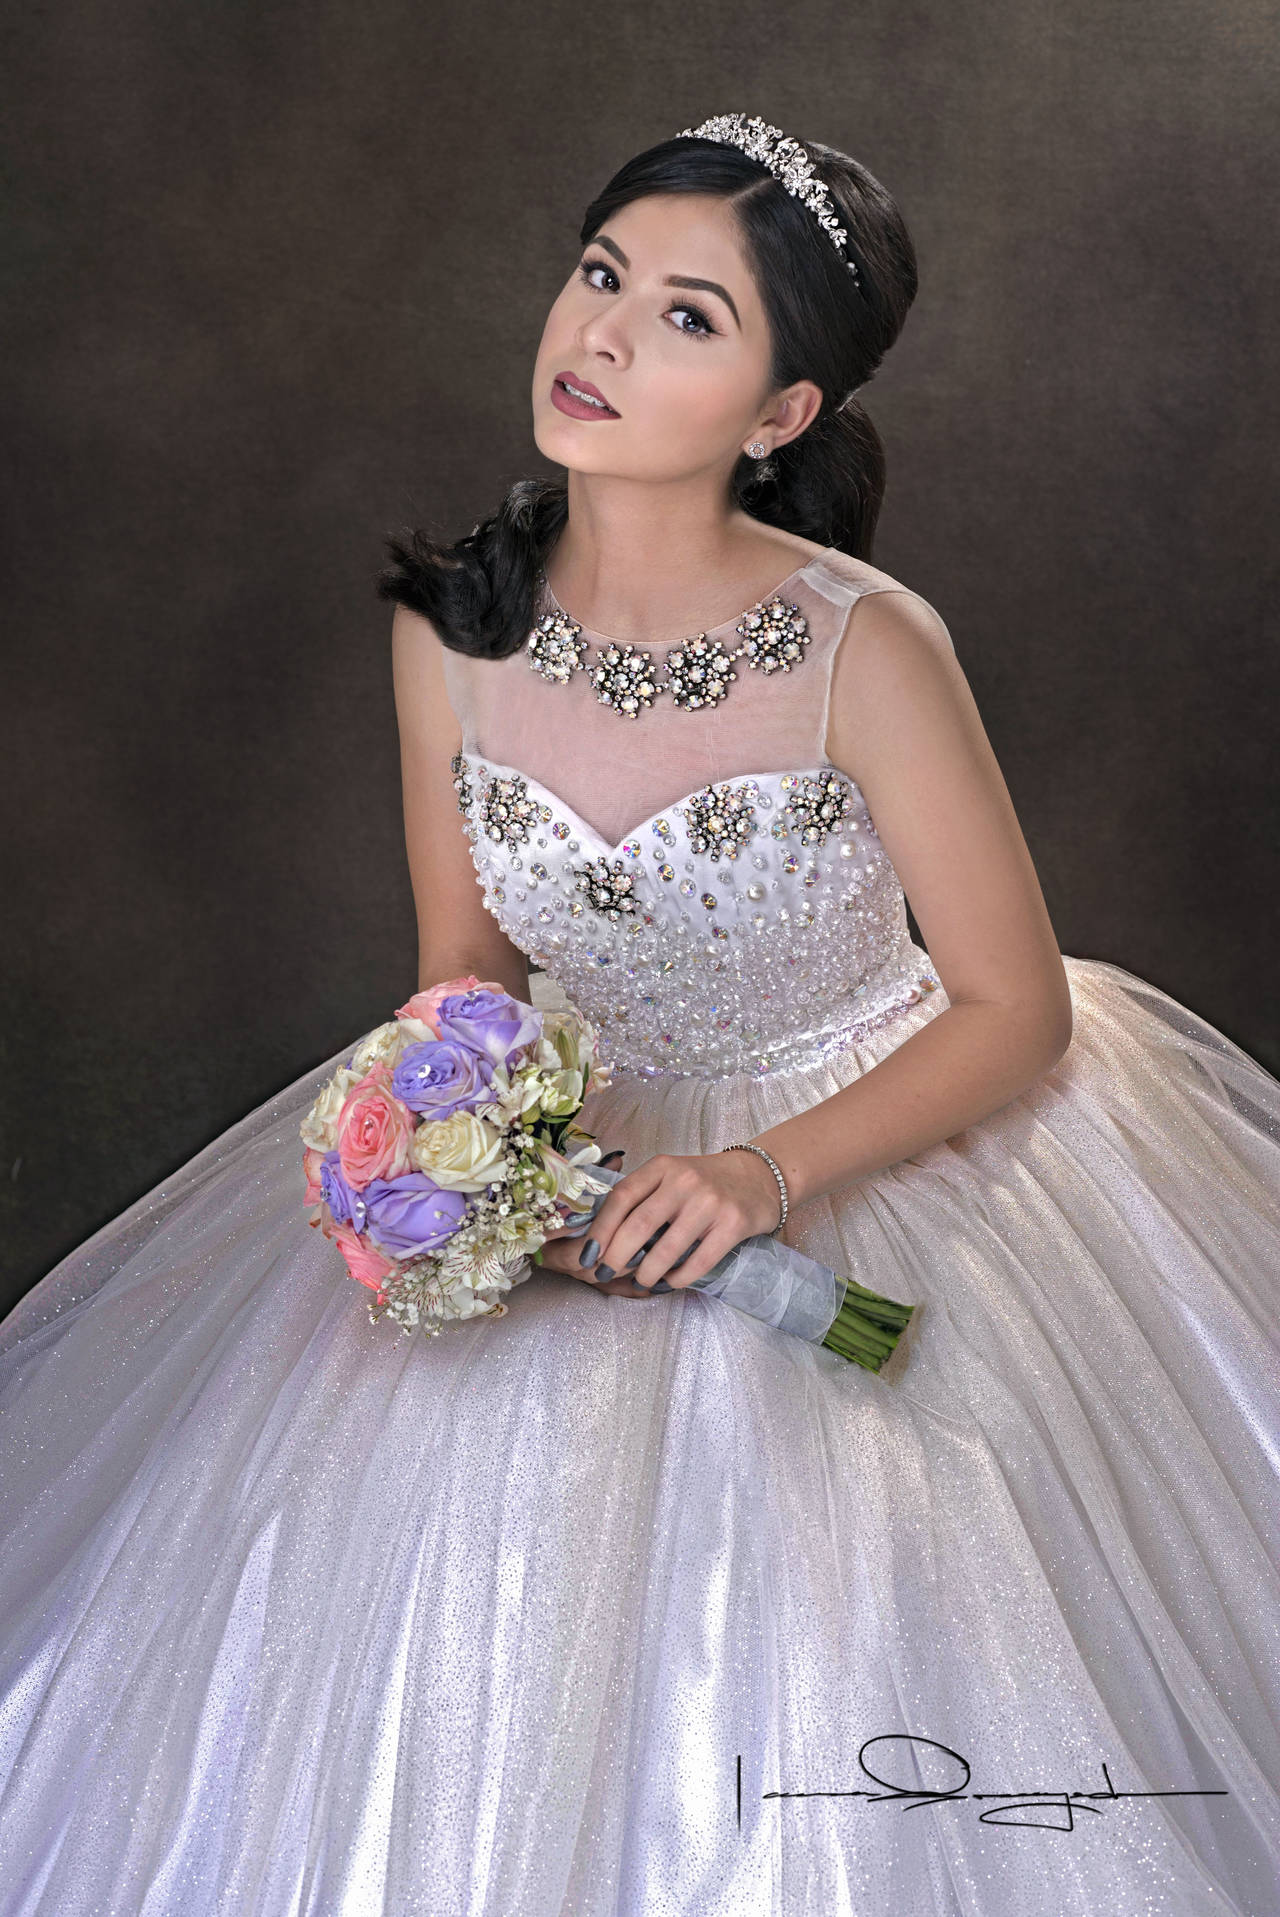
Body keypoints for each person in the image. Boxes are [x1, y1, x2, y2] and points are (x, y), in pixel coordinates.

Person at [1, 112, 1278, 1917]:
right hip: (593, 1159)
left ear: (782, 411)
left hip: (875, 1128)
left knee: (866, 1608)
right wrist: (481, 1160)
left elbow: (1017, 1006)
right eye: (601, 274)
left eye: (688, 316)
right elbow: (467, 976)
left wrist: (763, 1174)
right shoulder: (450, 625)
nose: (598, 334)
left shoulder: (866, 645)